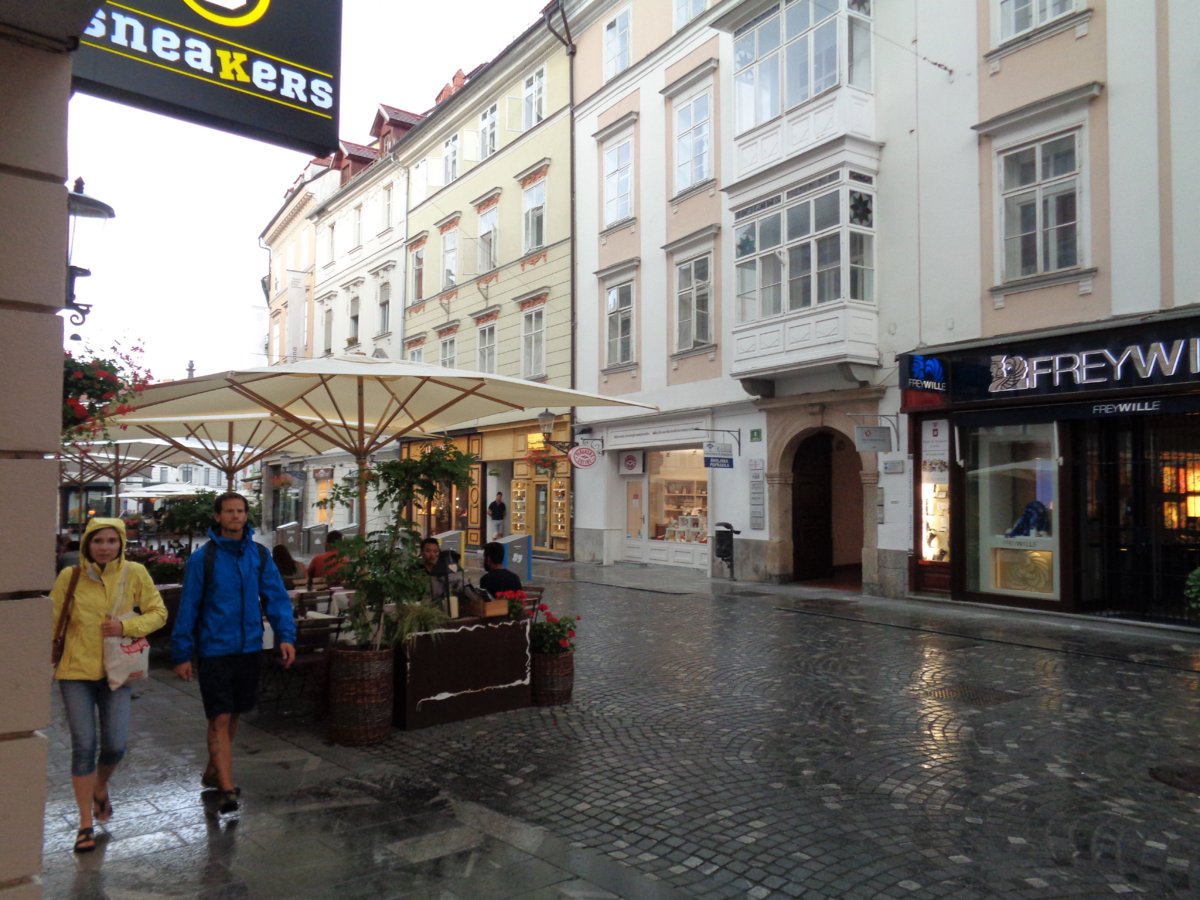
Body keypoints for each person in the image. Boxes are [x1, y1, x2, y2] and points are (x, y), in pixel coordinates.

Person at [170, 492, 295, 816]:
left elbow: (276, 597)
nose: (236, 516)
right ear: (217, 517)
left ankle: (214, 771)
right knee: (220, 716)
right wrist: (181, 653)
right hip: (214, 649)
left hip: (249, 646)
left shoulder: (259, 555)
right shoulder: (203, 559)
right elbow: (189, 608)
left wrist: (285, 635)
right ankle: (226, 788)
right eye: (229, 511)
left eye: (240, 511)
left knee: (235, 713)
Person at [51, 517, 167, 853]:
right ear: (87, 544)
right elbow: (53, 618)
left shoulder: (134, 573)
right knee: (84, 744)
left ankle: (100, 786)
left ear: (121, 544)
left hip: (118, 669)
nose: (105, 547)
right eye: (98, 541)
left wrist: (125, 627)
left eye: (111, 541)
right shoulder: (69, 576)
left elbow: (158, 613)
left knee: (115, 745)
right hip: (75, 672)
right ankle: (85, 822)